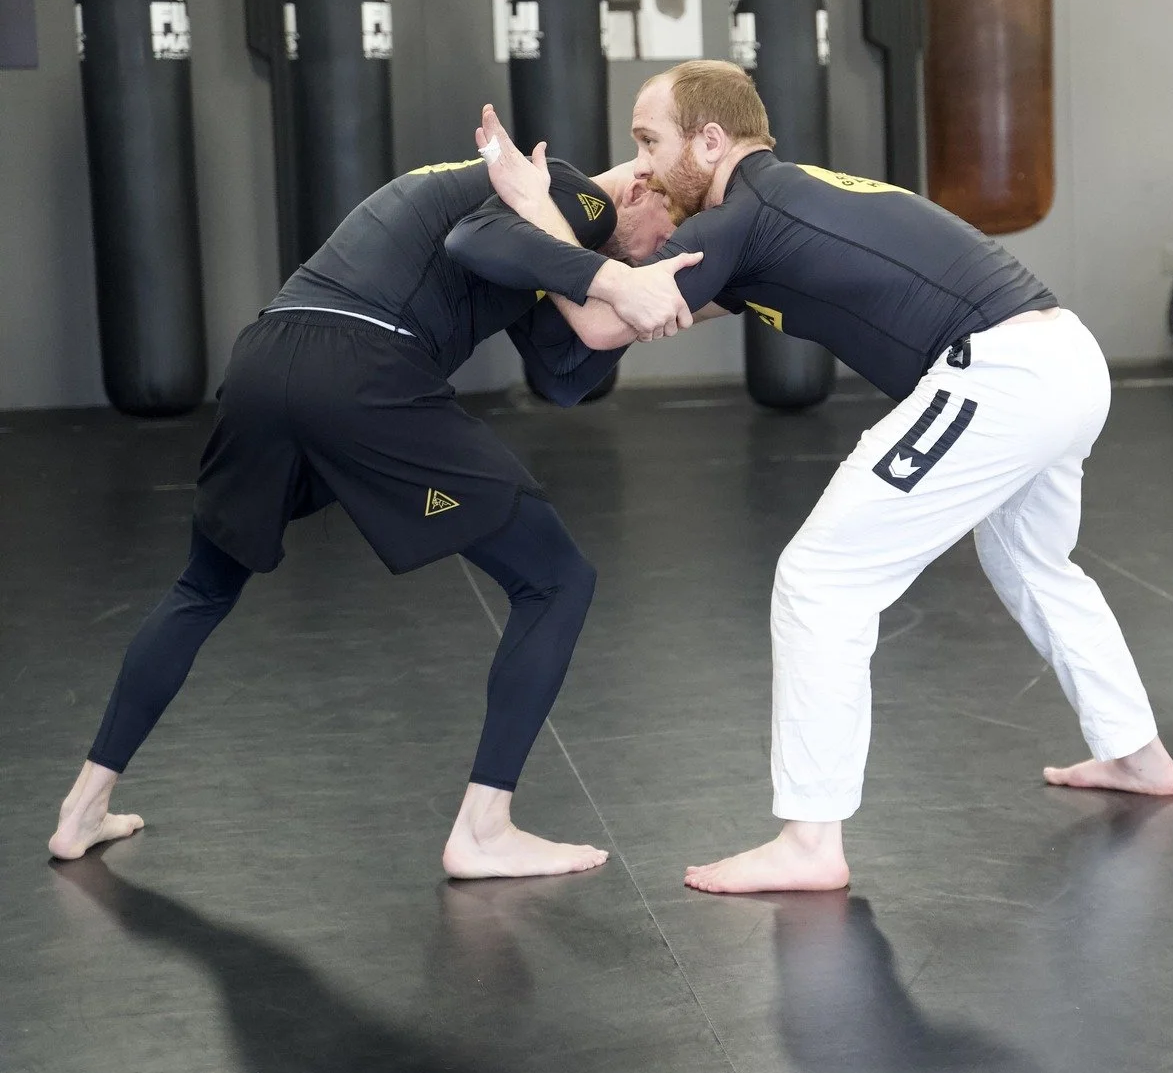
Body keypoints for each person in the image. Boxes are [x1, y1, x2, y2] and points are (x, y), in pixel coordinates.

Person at [449, 62, 1173, 894]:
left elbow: (594, 321)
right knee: (1031, 560)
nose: (642, 168)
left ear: (711, 140)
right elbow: (636, 315)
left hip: (1000, 375)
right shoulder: (772, 203)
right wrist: (607, 231)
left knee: (821, 579)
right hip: (1063, 358)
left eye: (650, 142)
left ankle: (809, 841)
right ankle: (1138, 752)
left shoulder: (744, 214)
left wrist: (533, 205)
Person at [47, 149, 697, 877]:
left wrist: (659, 311)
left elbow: (560, 375)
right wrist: (619, 282)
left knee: (202, 587)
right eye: (665, 238)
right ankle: (484, 831)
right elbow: (476, 242)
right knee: (556, 580)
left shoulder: (539, 219)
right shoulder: (577, 195)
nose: (654, 256)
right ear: (640, 190)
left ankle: (82, 809)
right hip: (362, 363)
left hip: (267, 355)